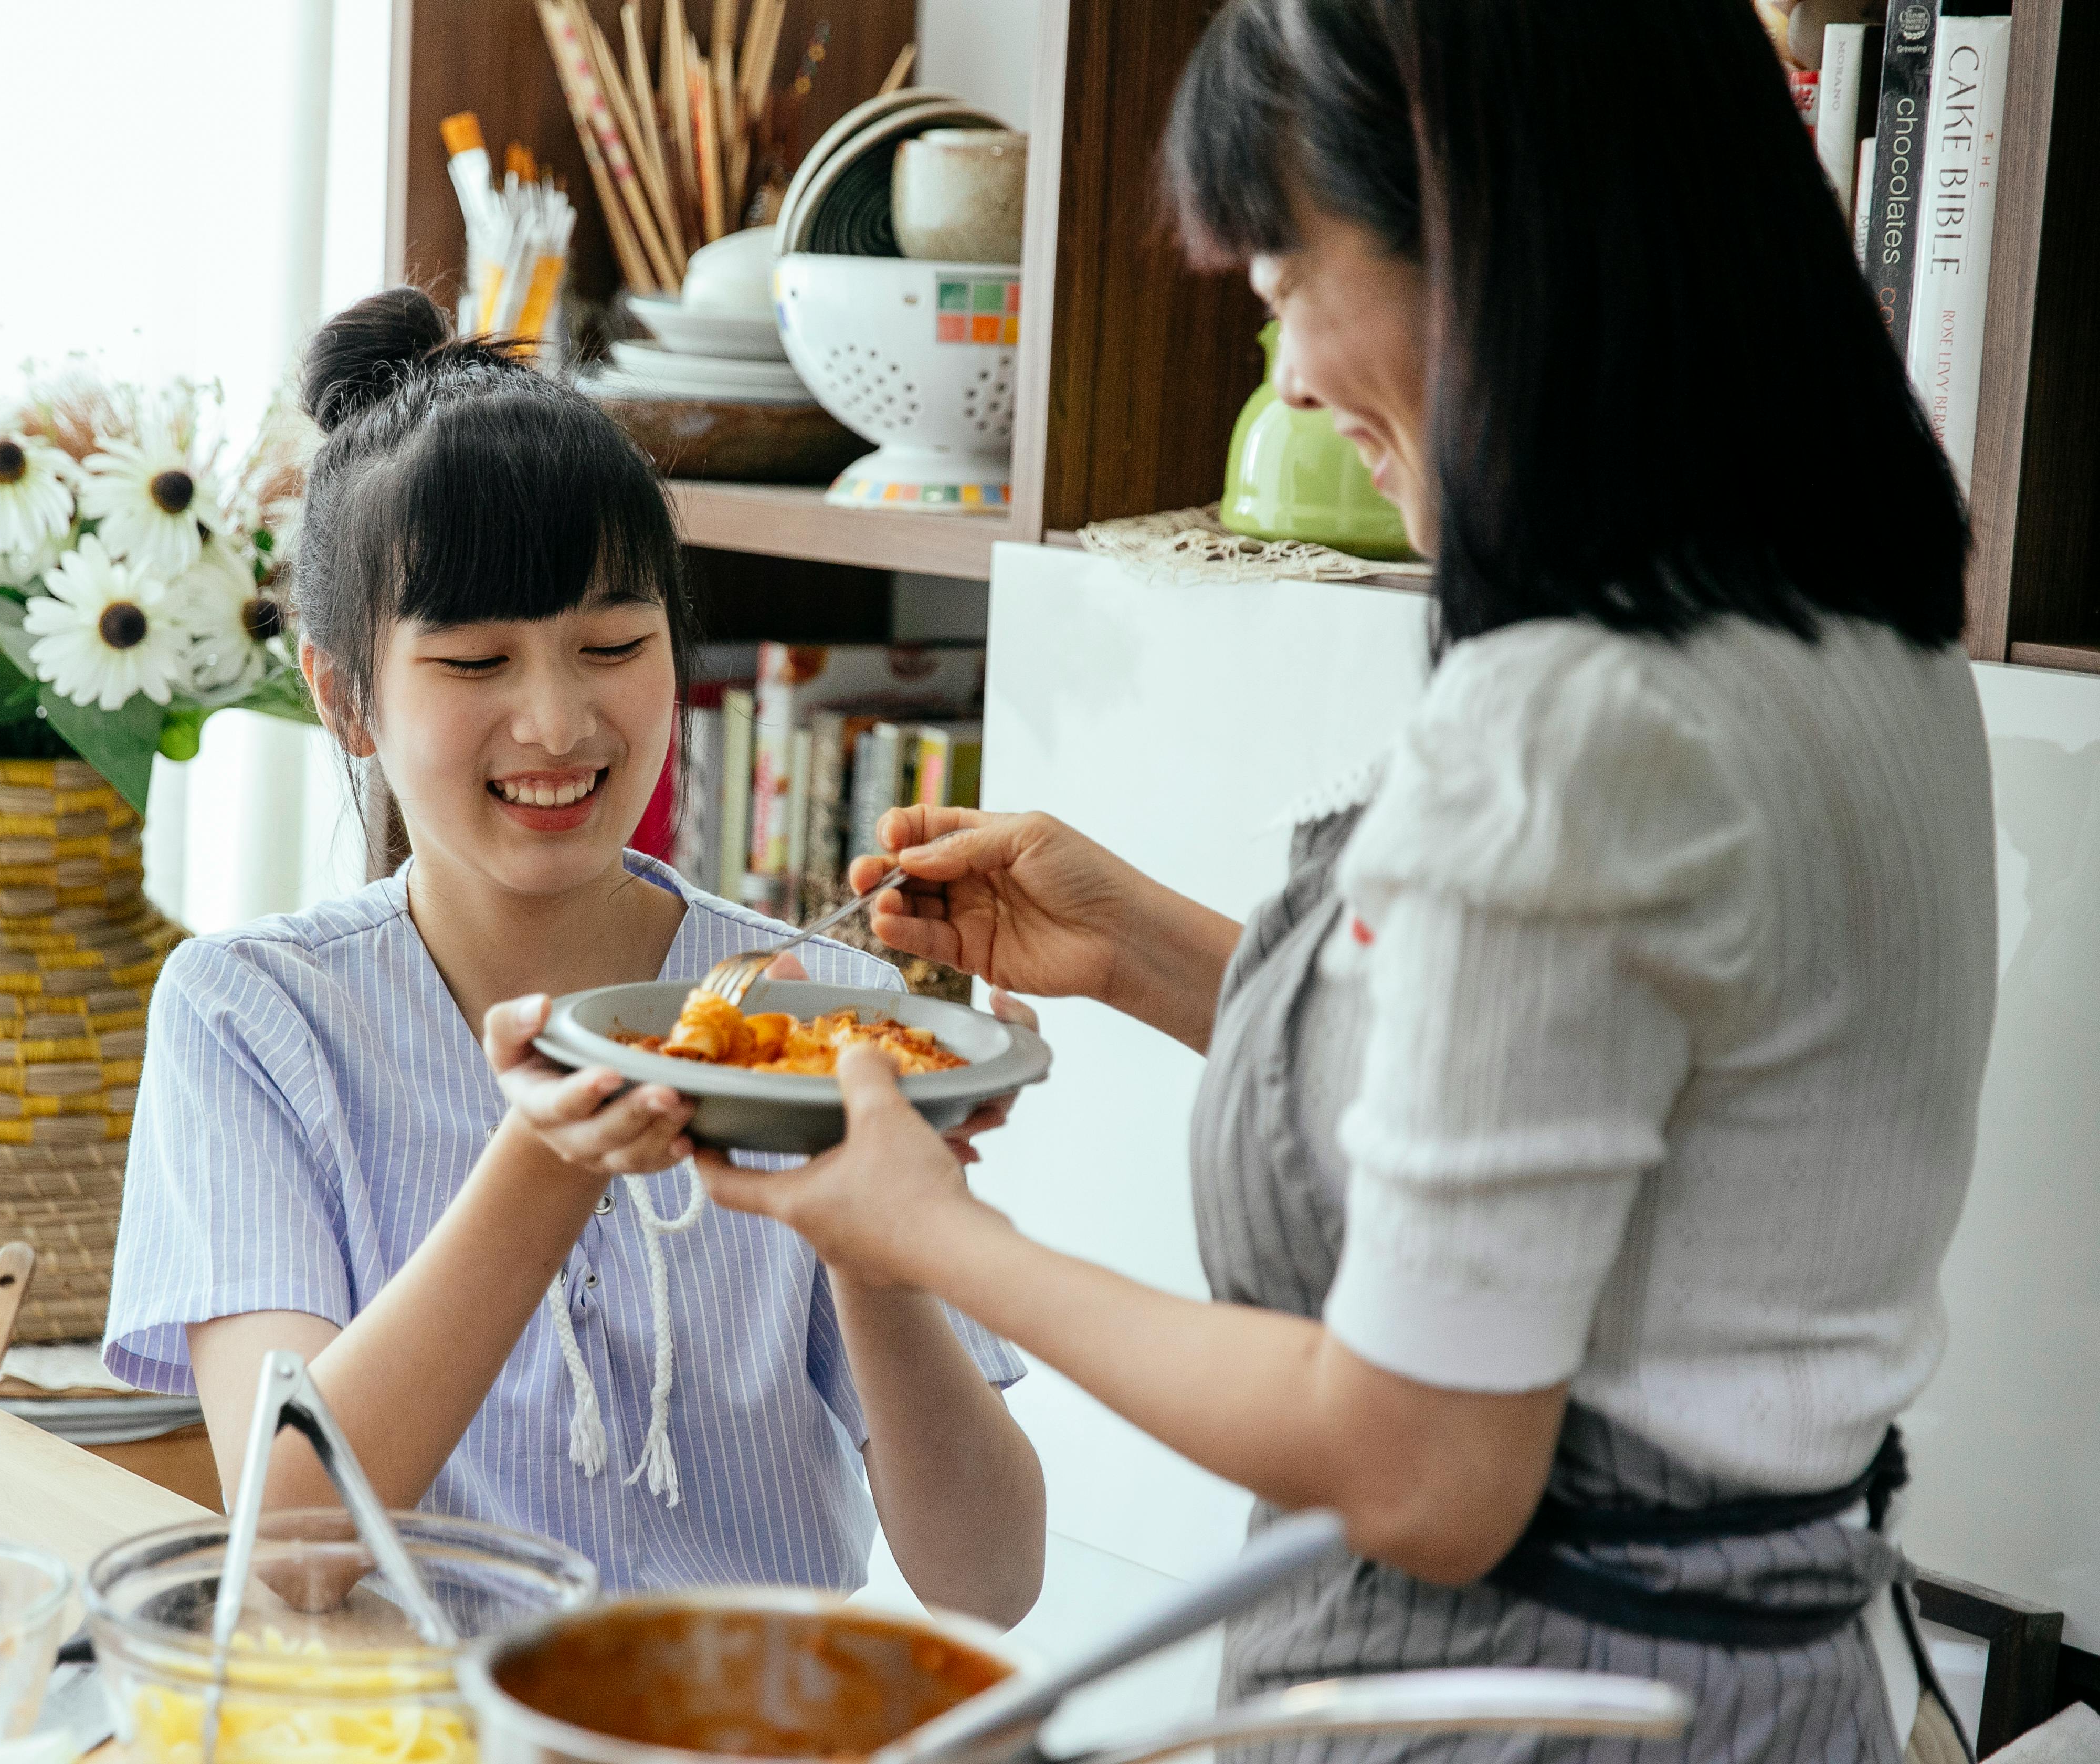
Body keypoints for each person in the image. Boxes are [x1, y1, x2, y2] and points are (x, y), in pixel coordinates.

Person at [698, 1, 1992, 1756]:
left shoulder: (1570, 732)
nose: (1291, 374)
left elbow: (1424, 1466)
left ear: (1495, 234)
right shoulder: (1867, 657)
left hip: (1524, 1710)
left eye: (1294, 272)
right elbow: (1583, 1109)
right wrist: (1148, 946)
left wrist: (934, 1234)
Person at [100, 288, 1043, 1624]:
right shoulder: (253, 1017)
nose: (557, 720)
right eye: (477, 661)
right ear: (343, 697)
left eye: (614, 645)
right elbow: (293, 1543)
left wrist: (873, 1242)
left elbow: (992, 1584)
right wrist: (550, 1150)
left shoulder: (827, 1013)